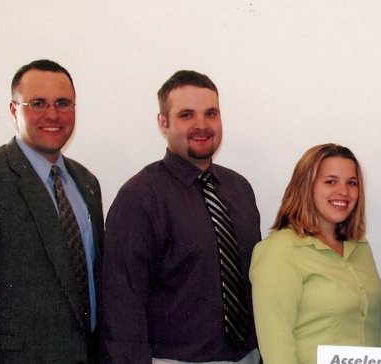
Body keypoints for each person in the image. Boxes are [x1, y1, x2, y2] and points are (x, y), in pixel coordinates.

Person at [0, 59, 103, 363]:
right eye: (37, 103)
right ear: (14, 110)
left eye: (63, 103)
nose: (52, 114)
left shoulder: (86, 183)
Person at [102, 70, 261, 363]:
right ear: (163, 122)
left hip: (247, 357)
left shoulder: (240, 189)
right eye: (186, 115)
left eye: (210, 113)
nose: (201, 125)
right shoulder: (140, 197)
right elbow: (122, 303)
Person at [250, 143, 381, 364]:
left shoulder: (360, 247)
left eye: (352, 183)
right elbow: (277, 349)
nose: (344, 191)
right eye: (330, 181)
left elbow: (372, 333)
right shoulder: (280, 250)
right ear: (305, 186)